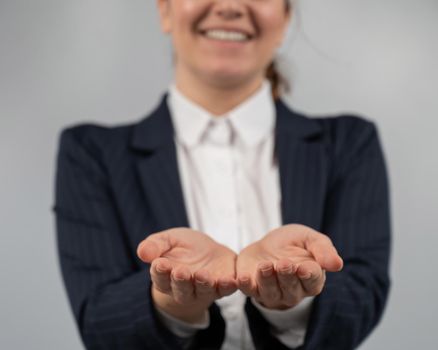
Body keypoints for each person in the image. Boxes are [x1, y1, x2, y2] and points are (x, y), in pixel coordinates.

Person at [54, 0, 391, 349]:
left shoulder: (349, 144)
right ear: (165, 11)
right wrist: (172, 300)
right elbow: (98, 322)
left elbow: (362, 296)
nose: (230, 6)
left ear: (286, 17)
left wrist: (294, 294)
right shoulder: (91, 153)